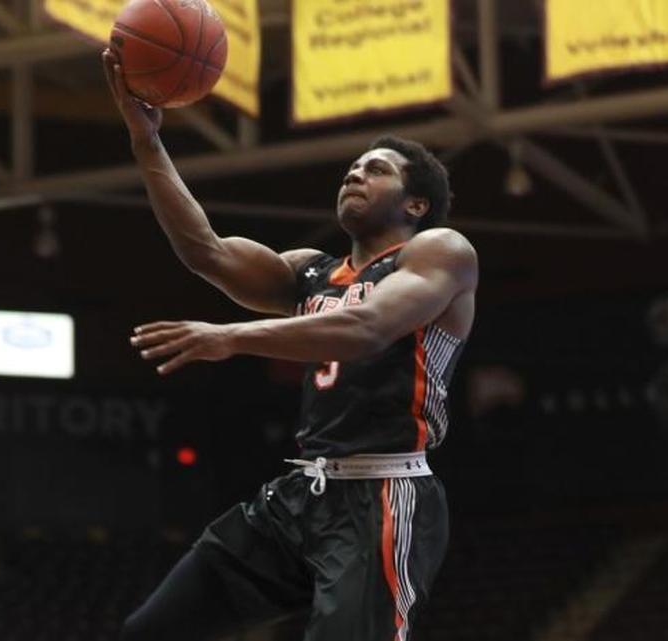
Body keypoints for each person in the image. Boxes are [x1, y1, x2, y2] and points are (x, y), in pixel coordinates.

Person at [103, 50, 478, 641]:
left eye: (375, 169)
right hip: (300, 495)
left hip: (384, 492)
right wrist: (146, 140)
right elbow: (206, 251)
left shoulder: (441, 253)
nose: (354, 174)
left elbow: (366, 329)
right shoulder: (309, 271)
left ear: (416, 204)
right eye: (352, 167)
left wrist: (229, 338)